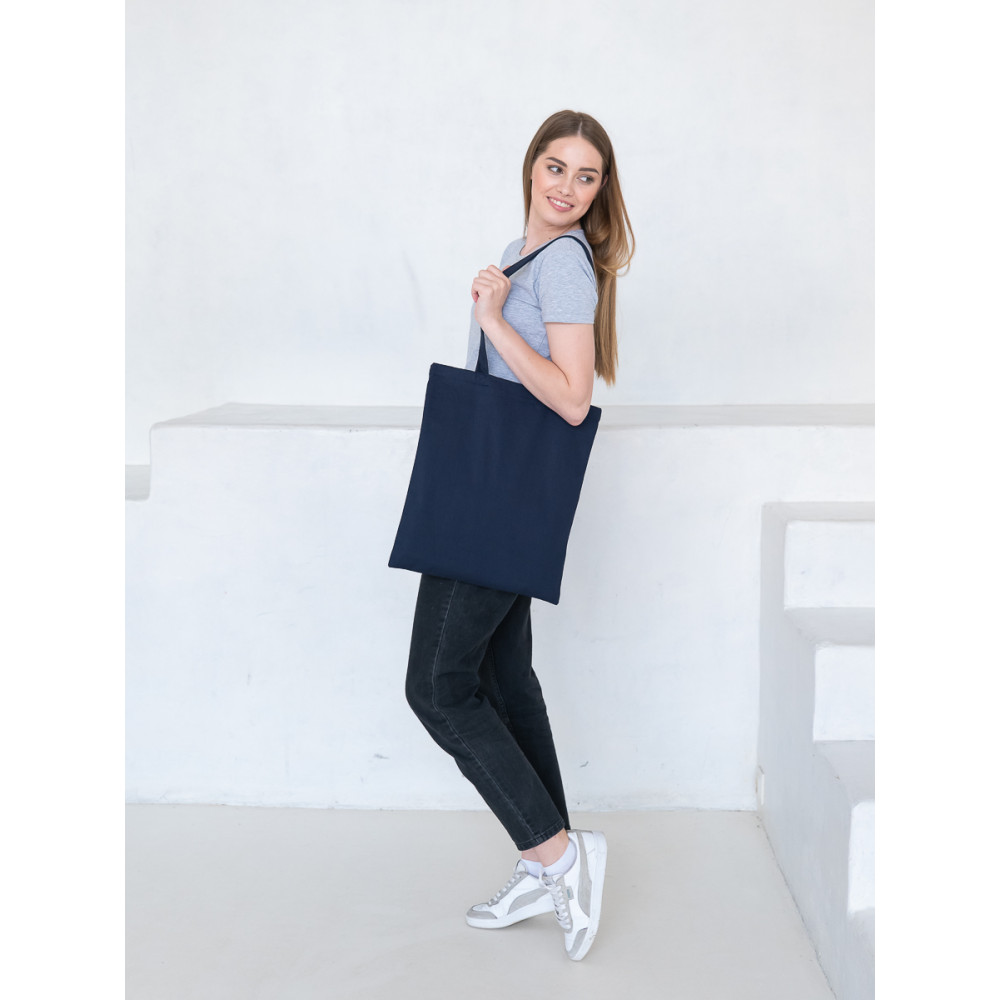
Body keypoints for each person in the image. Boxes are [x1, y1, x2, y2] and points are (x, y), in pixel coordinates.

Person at [404, 110, 634, 961]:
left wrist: (495, 320)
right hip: (490, 496)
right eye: (556, 166)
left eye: (586, 176)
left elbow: (572, 398)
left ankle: (559, 854)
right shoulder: (520, 253)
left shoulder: (562, 266)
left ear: (600, 191)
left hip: (495, 500)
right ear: (531, 166)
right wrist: (497, 302)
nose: (567, 186)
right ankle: (548, 863)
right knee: (503, 676)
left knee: (438, 688)